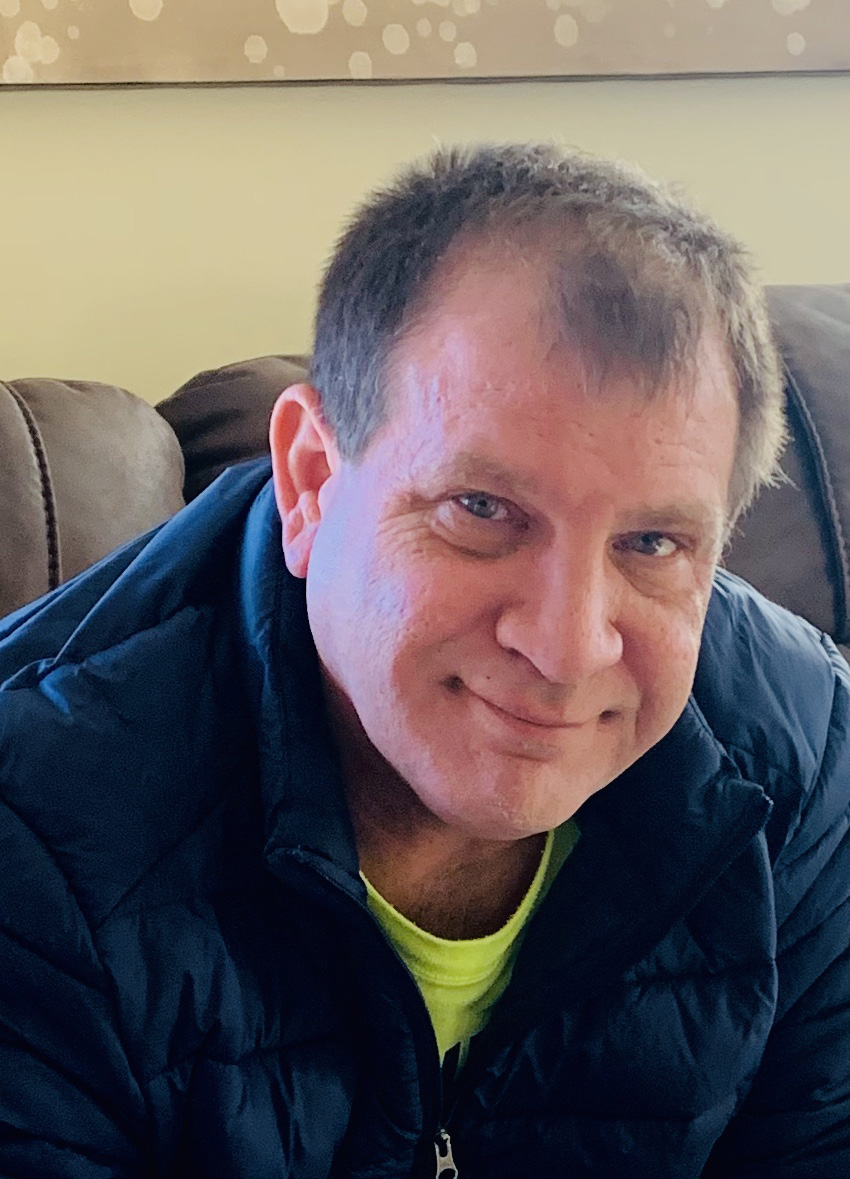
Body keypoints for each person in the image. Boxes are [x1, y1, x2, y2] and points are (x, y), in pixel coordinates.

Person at [1, 143, 848, 1179]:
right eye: (481, 510)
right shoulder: (33, 837)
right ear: (312, 480)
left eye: (652, 543)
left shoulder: (806, 763)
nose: (567, 647)